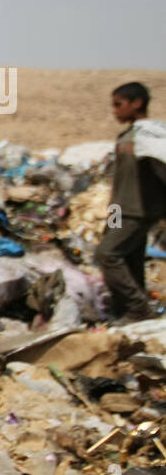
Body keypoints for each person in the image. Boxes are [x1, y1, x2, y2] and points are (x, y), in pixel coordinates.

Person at [96, 82, 165, 323]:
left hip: (136, 210)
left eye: (118, 104)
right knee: (128, 256)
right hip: (117, 207)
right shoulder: (127, 135)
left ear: (136, 103)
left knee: (107, 254)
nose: (115, 111)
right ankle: (125, 310)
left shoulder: (149, 135)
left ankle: (138, 308)